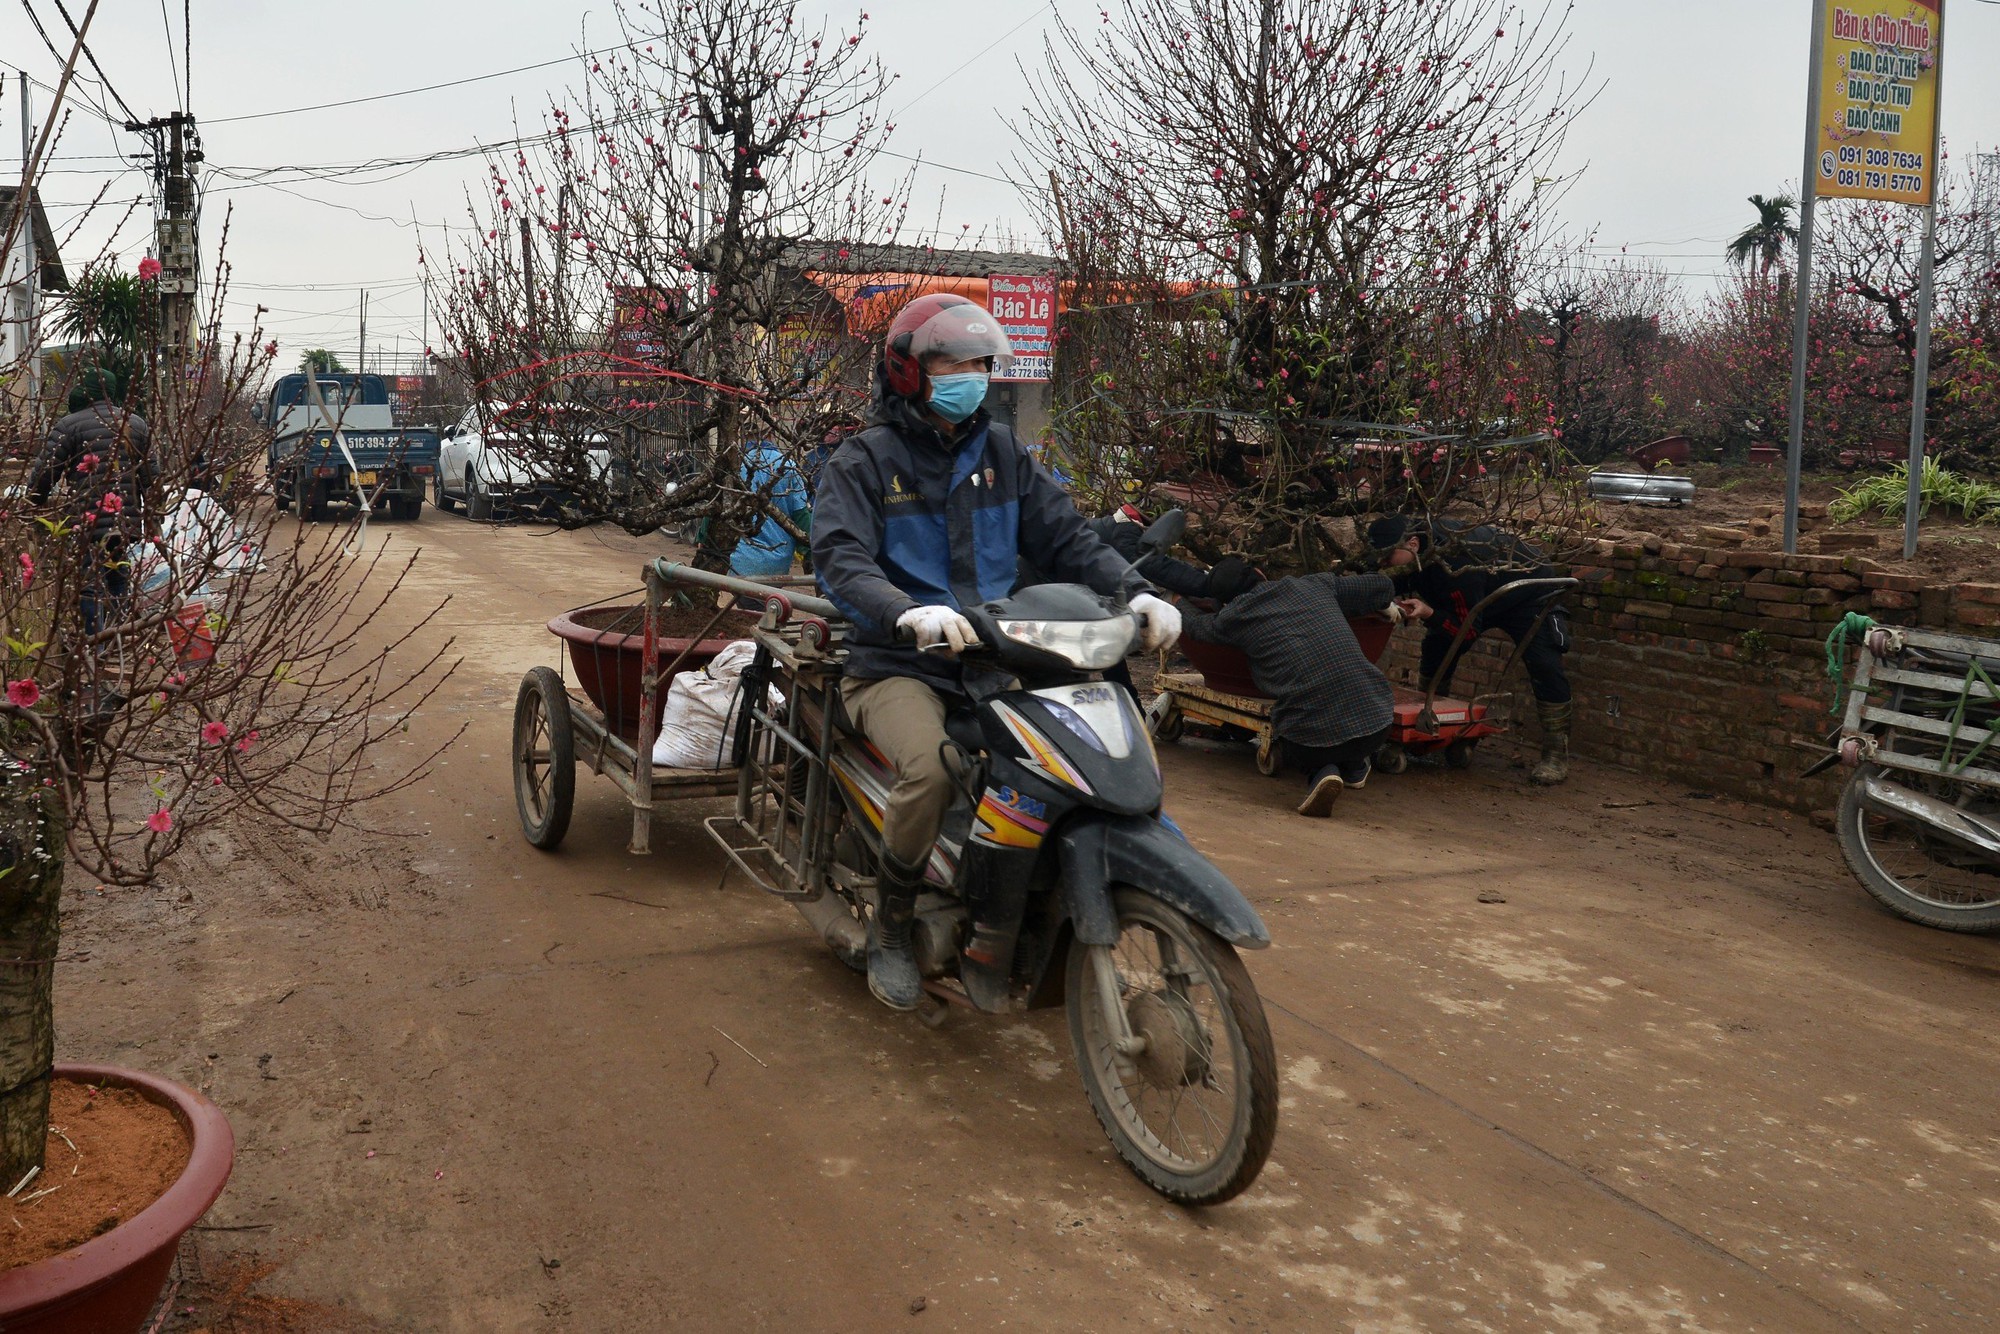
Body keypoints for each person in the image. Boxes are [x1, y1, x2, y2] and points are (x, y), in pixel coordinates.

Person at [811, 293, 1182, 1010]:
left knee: (1070, 759)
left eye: (981, 363)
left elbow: (1067, 538)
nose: (972, 376)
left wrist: (1136, 593)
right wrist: (904, 611)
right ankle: (893, 925)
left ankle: (1018, 904)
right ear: (909, 371)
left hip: (999, 656)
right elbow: (840, 558)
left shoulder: (1004, 454)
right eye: (953, 363)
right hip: (898, 664)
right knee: (932, 771)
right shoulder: (864, 460)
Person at [1181, 559, 1427, 817]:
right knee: (1348, 728)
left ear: (1225, 603)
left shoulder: (1234, 618)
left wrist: (1175, 602)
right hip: (1376, 721)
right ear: (1259, 573)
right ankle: (1355, 768)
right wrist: (1379, 603)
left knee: (1294, 732)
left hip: (1311, 738)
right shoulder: (1314, 584)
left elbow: (1196, 627)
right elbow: (1382, 585)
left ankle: (1322, 773)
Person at [1366, 515, 1573, 785]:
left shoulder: (1457, 562)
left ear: (1413, 544)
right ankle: (1429, 723)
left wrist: (1429, 613)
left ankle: (1556, 754)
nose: (1382, 564)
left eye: (1386, 558)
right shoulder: (1416, 542)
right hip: (1480, 590)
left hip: (1527, 593)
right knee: (1436, 650)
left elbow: (1467, 631)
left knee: (1545, 665)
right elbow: (1397, 578)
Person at [27, 368, 154, 639]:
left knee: (89, 584)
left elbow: (47, 471)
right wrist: (153, 515)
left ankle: (96, 646)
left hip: (87, 521)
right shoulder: (135, 424)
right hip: (124, 520)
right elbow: (151, 477)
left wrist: (34, 500)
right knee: (118, 574)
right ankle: (119, 640)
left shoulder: (69, 425)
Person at [727, 442, 813, 579]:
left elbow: (718, 508)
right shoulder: (788, 467)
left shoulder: (736, 466)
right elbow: (801, 515)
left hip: (738, 560)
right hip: (778, 561)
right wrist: (809, 553)